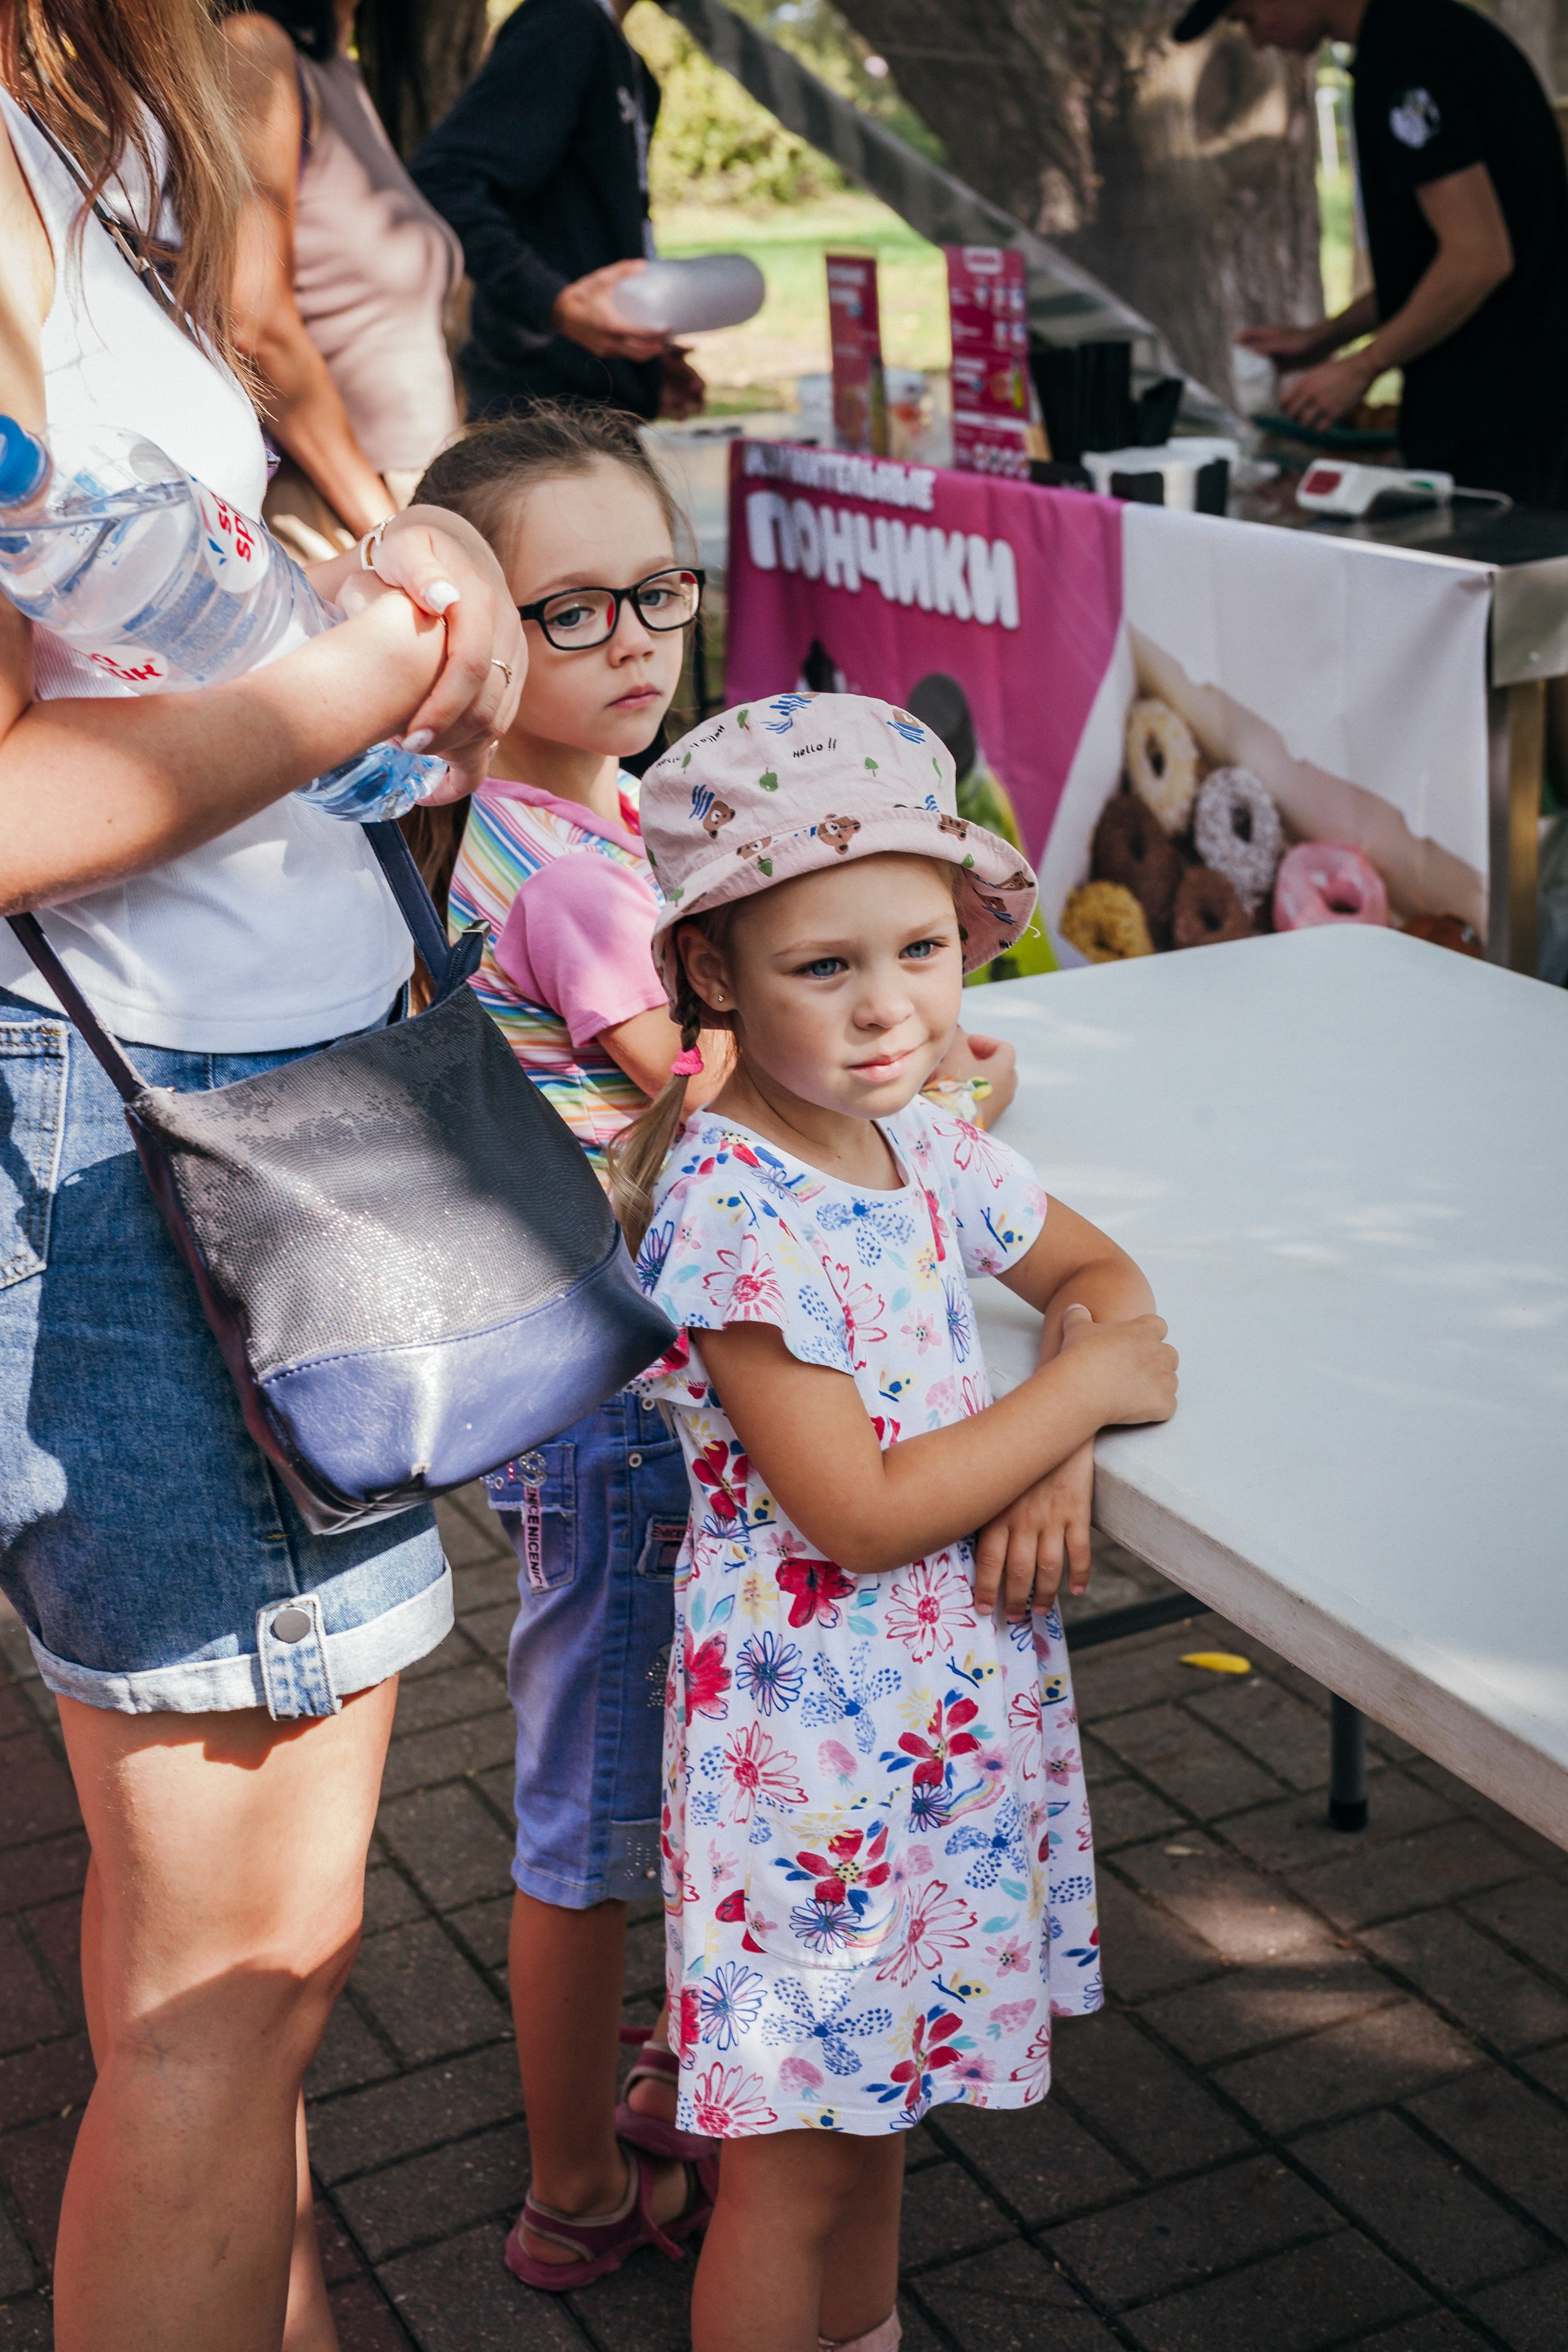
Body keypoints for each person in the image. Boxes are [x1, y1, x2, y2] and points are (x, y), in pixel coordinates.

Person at [0, 6, 521, 2346]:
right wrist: (351, 691)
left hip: (200, 1109)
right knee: (239, 1991)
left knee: (205, 1984)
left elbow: (178, 545)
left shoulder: (100, 118)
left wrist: (393, 546)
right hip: (157, 1157)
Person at [612, 694, 1179, 2352]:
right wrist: (1070, 1404)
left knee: (879, 2134)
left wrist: (1049, 1458)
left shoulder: (917, 1136)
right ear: (714, 972)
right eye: (825, 965)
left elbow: (1098, 1280)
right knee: (790, 2176)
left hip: (936, 1734)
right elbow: (857, 1515)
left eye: (923, 950)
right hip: (814, 1767)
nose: (889, 1009)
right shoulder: (732, 1208)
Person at [410, 405, 725, 2288]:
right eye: (573, 611)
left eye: (657, 595)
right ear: (473, 630)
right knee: (591, 1801)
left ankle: (626, 2103)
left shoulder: (515, 817)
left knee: (601, 1771)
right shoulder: (577, 870)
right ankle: (574, 2193)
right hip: (619, 1399)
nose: (629, 644)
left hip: (573, 1378)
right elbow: (709, 1101)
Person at [1196, 0, 1568, 504]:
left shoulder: (1409, 56)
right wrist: (1328, 336)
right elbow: (1438, 263)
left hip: (1511, 418)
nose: (1258, 41)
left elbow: (1479, 259)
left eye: (1246, 17)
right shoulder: (1415, 39)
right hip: (1505, 408)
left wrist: (1363, 367)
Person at [221, 0, 462, 551]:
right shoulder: (255, 49)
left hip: (404, 490)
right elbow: (252, 321)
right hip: (334, 512)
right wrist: (386, 528)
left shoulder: (334, 68)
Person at [410, 0, 704, 424]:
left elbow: (587, 222)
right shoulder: (563, 23)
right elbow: (446, 181)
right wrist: (557, 304)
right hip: (541, 408)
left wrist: (639, 363)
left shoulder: (624, 57)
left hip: (597, 399)